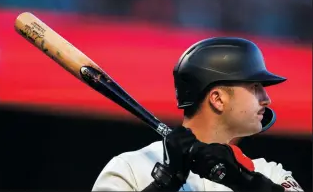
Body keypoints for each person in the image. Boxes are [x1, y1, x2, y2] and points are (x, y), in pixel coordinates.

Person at [92, 37, 304, 191]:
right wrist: (166, 182)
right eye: (255, 86)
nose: (267, 99)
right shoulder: (130, 167)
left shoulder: (269, 173)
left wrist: (241, 180)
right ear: (218, 99)